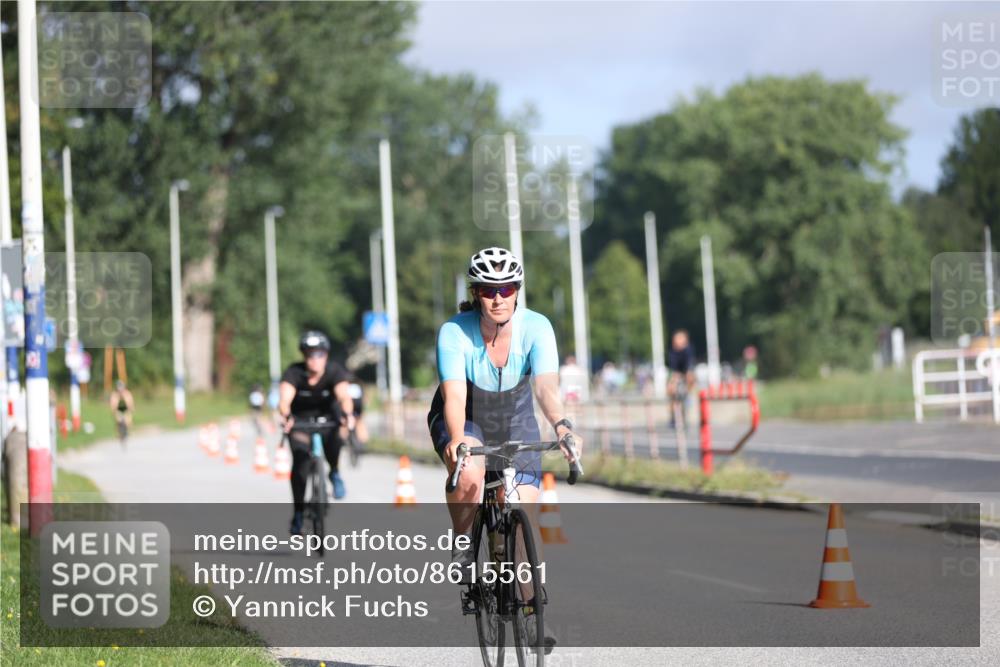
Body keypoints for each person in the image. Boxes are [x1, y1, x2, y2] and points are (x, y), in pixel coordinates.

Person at [427, 247, 582, 648]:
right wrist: (459, 439)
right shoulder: (454, 332)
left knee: (522, 517)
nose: (497, 297)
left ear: (517, 290)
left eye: (506, 288)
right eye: (487, 289)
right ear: (475, 293)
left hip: (514, 416)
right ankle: (463, 540)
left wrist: (562, 427)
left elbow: (546, 388)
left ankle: (532, 613)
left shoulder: (537, 327)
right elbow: (455, 396)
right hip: (467, 413)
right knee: (473, 477)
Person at [277, 330, 355, 535]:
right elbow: (284, 400)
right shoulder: (294, 372)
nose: (314, 359)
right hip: (300, 424)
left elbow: (344, 396)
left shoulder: (334, 372)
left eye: (319, 354)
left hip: (328, 421)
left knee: (337, 440)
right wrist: (285, 415)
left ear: (326, 355)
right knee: (301, 464)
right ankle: (299, 513)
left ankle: (334, 471)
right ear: (304, 356)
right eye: (309, 354)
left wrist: (348, 413)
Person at [667, 330, 696, 427]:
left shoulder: (688, 350)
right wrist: (673, 382)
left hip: (686, 374)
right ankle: (673, 416)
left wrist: (687, 377)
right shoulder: (672, 352)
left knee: (690, 376)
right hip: (677, 374)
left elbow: (689, 367)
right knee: (671, 388)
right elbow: (674, 371)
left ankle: (687, 395)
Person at [108, 380, 134, 447]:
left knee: (128, 421)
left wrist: (130, 410)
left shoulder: (127, 394)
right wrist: (113, 411)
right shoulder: (114, 394)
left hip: (126, 410)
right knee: (118, 420)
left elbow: (130, 404)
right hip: (118, 410)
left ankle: (127, 432)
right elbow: (113, 405)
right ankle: (119, 433)